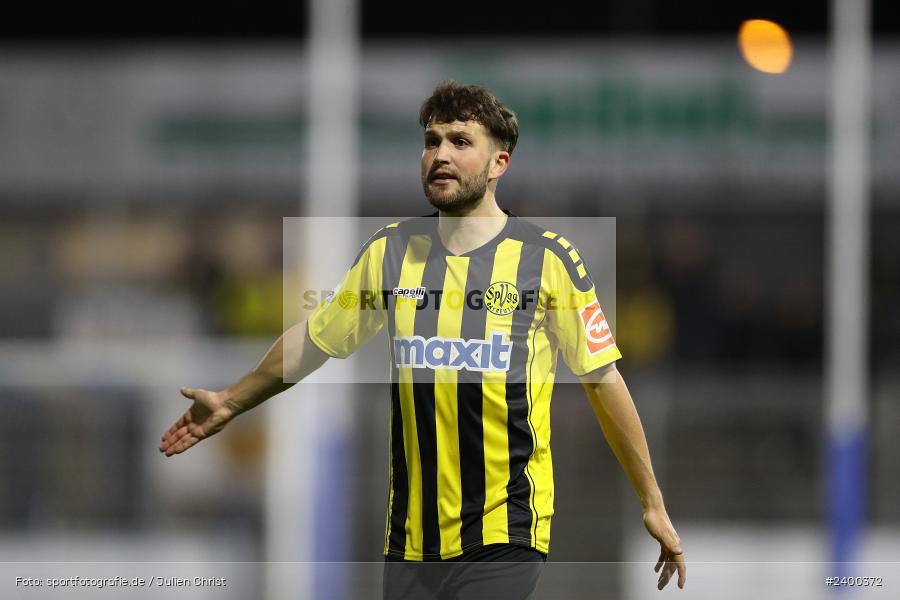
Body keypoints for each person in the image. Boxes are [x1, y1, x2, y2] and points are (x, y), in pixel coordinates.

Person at [160, 80, 686, 598]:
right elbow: (314, 342)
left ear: (499, 163)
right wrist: (232, 399)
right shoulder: (391, 252)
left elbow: (602, 376)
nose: (440, 154)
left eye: (460, 142)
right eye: (432, 141)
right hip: (410, 536)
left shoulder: (547, 261)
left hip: (507, 528)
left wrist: (652, 501)